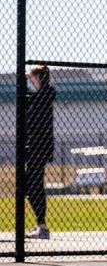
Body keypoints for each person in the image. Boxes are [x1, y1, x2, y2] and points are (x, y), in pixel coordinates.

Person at [24, 64, 56, 239]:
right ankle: (40, 225)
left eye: (32, 78)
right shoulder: (39, 96)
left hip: (39, 146)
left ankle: (42, 226)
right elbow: (28, 99)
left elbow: (33, 99)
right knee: (31, 184)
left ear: (39, 78)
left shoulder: (45, 94)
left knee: (33, 184)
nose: (30, 81)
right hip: (34, 146)